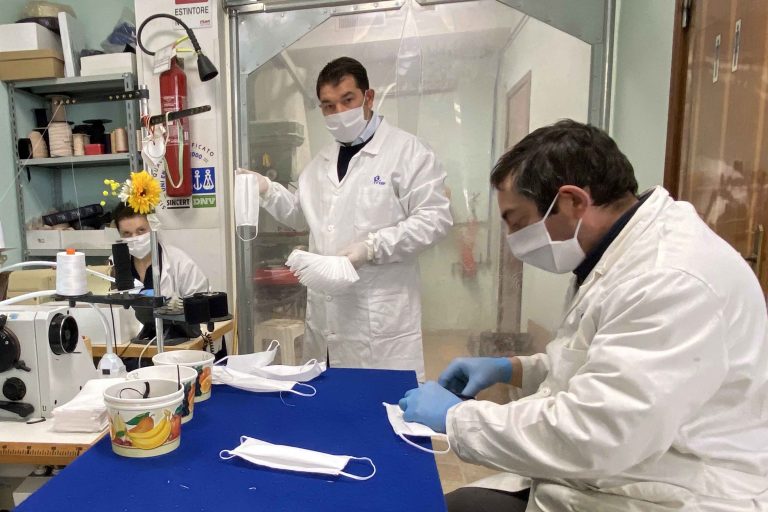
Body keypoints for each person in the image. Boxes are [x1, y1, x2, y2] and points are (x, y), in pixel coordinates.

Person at [398, 120, 768, 511]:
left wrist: (456, 418)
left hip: (669, 494)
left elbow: (598, 434)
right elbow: (602, 364)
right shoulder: (622, 253)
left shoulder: (669, 279)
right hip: (619, 473)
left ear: (573, 201)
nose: (513, 240)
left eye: (519, 223)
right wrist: (513, 368)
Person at [239, 57, 452, 380]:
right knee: (329, 399)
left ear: (369, 98)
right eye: (328, 106)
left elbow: (434, 218)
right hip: (327, 320)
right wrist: (267, 189)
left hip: (380, 320)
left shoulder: (407, 152)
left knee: (383, 401)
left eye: (347, 100)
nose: (338, 112)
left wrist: (372, 248)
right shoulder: (320, 163)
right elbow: (301, 213)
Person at [113, 203, 209, 340]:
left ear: (153, 227)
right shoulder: (118, 267)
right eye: (127, 233)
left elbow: (203, 309)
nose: (135, 238)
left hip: (181, 343)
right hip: (134, 342)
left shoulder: (179, 262)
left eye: (141, 230)